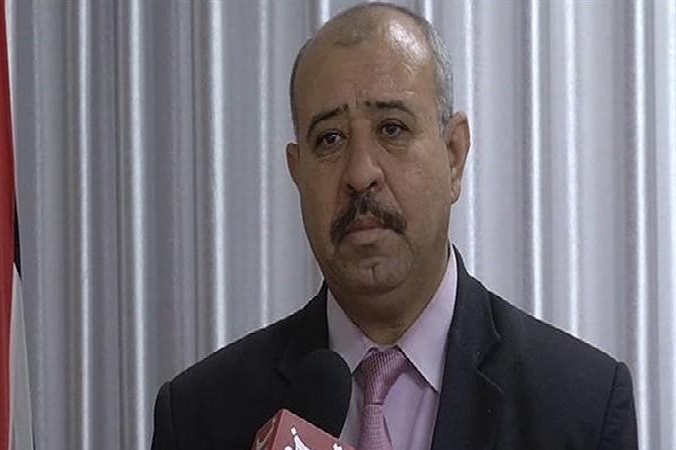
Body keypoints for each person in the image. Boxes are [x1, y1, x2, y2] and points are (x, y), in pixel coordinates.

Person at [151, 3, 638, 449]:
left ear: (453, 156)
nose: (361, 172)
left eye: (392, 128)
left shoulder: (583, 409)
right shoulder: (200, 417)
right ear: (298, 174)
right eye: (330, 138)